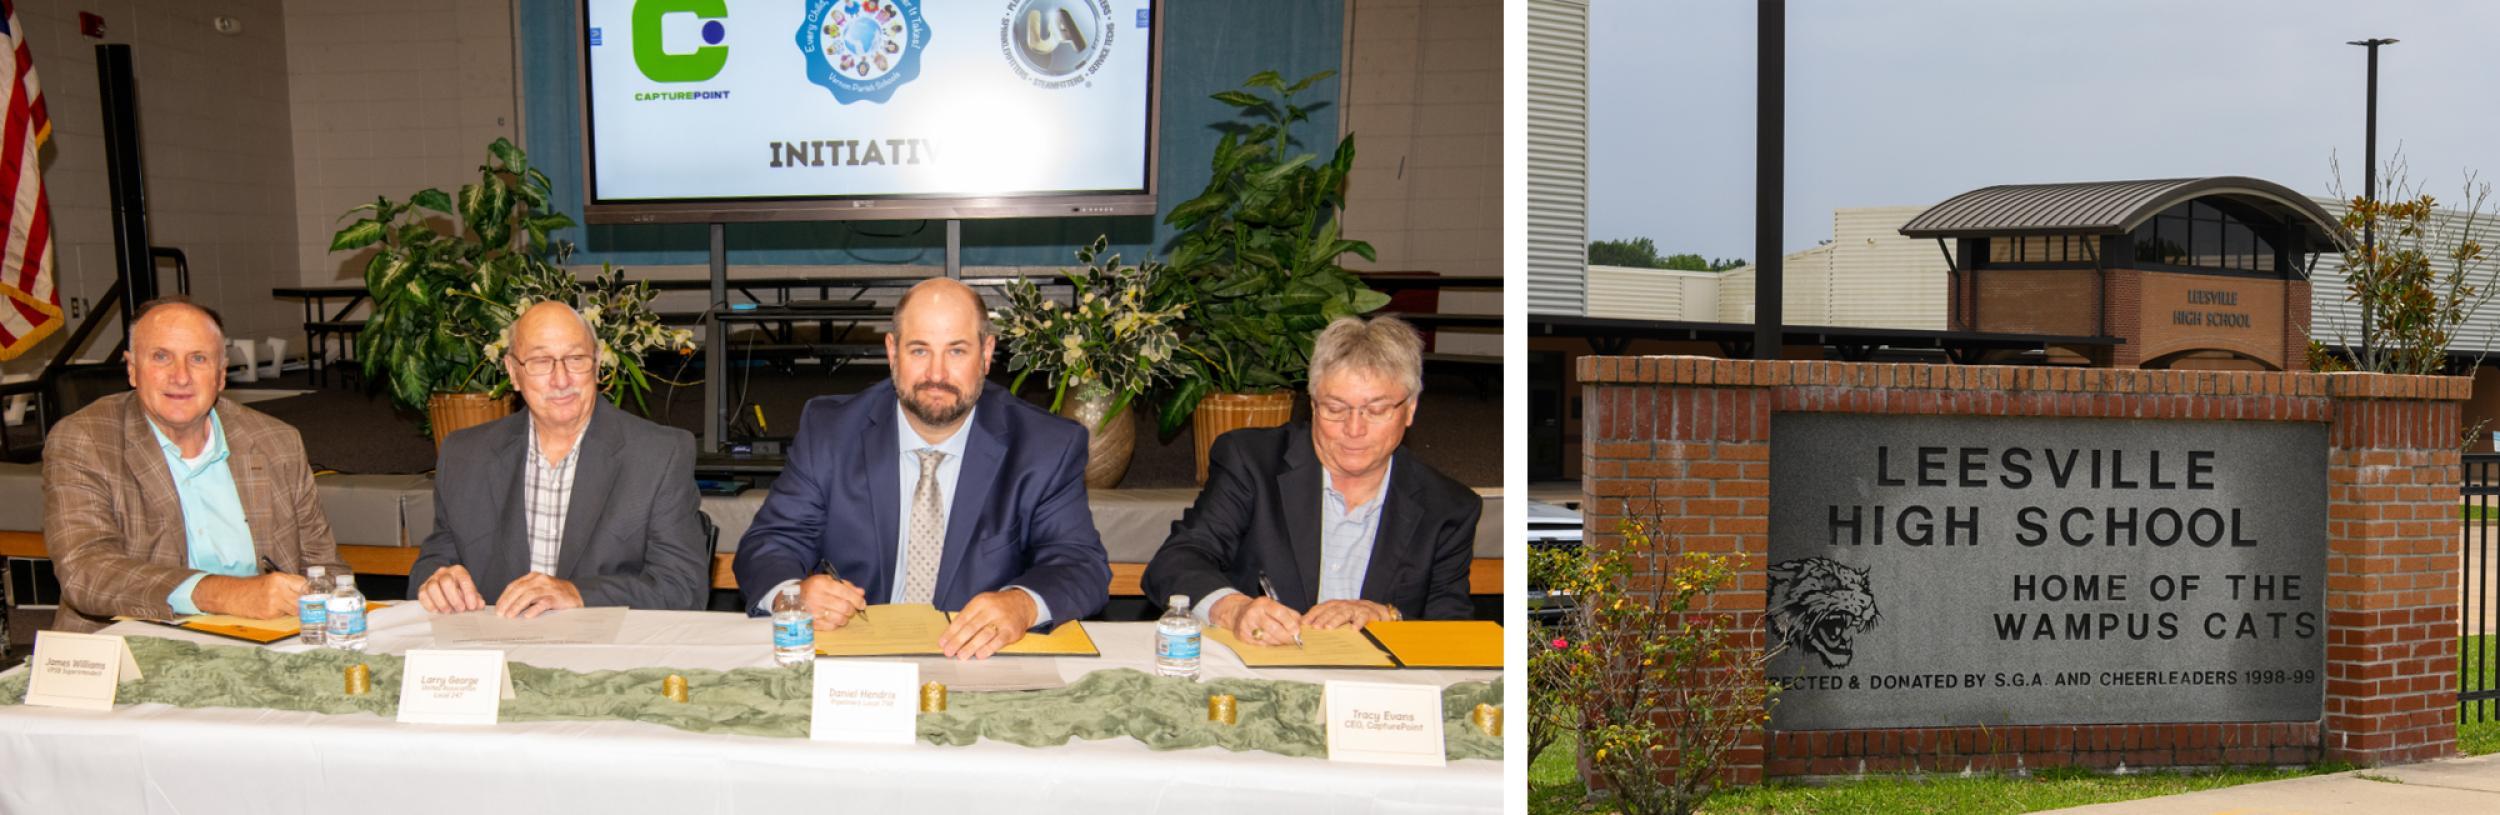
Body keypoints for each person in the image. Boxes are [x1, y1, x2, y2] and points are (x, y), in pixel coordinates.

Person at [733, 278, 1110, 659]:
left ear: (986, 353)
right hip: (855, 661)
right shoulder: (831, 431)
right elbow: (770, 543)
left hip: (979, 662)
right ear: (892, 352)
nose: (936, 374)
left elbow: (1080, 564)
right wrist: (792, 595)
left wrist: (1023, 604)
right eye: (919, 351)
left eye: (957, 351)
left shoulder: (1045, 446)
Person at [1142, 315, 1481, 646]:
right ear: (1314, 405)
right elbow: (1176, 562)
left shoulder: (1447, 507)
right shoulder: (1252, 462)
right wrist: (1235, 609)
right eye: (1336, 408)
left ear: (1409, 410)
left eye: (1376, 410)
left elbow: (1454, 630)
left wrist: (1391, 618)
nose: (1354, 429)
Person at [43, 297, 345, 633]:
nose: (181, 376)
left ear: (220, 376)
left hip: (266, 645)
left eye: (198, 359)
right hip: (129, 647)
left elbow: (325, 569)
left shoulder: (277, 442)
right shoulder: (85, 440)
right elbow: (86, 573)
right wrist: (225, 594)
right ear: (131, 369)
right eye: (161, 357)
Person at [408, 301, 707, 617]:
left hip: (606, 656)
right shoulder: (465, 456)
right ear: (513, 372)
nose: (561, 379)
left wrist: (578, 594)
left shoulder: (658, 455)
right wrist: (438, 582)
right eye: (540, 361)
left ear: (596, 363)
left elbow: (684, 588)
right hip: (494, 652)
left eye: (575, 359)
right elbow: (431, 566)